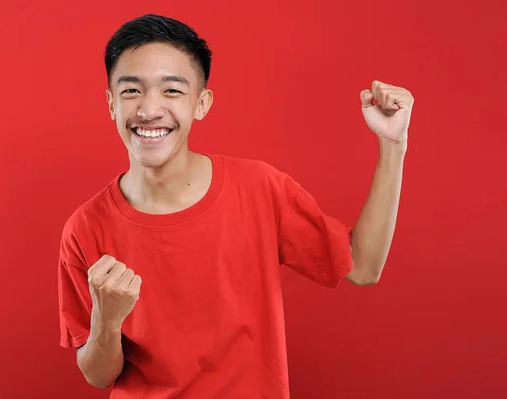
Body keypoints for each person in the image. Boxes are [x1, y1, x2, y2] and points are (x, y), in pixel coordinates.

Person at [57, 13, 414, 398]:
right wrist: (106, 322)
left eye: (172, 90)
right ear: (111, 103)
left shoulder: (260, 189)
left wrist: (393, 145)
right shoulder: (84, 229)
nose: (148, 110)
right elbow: (98, 374)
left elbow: (362, 266)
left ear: (202, 103)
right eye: (131, 91)